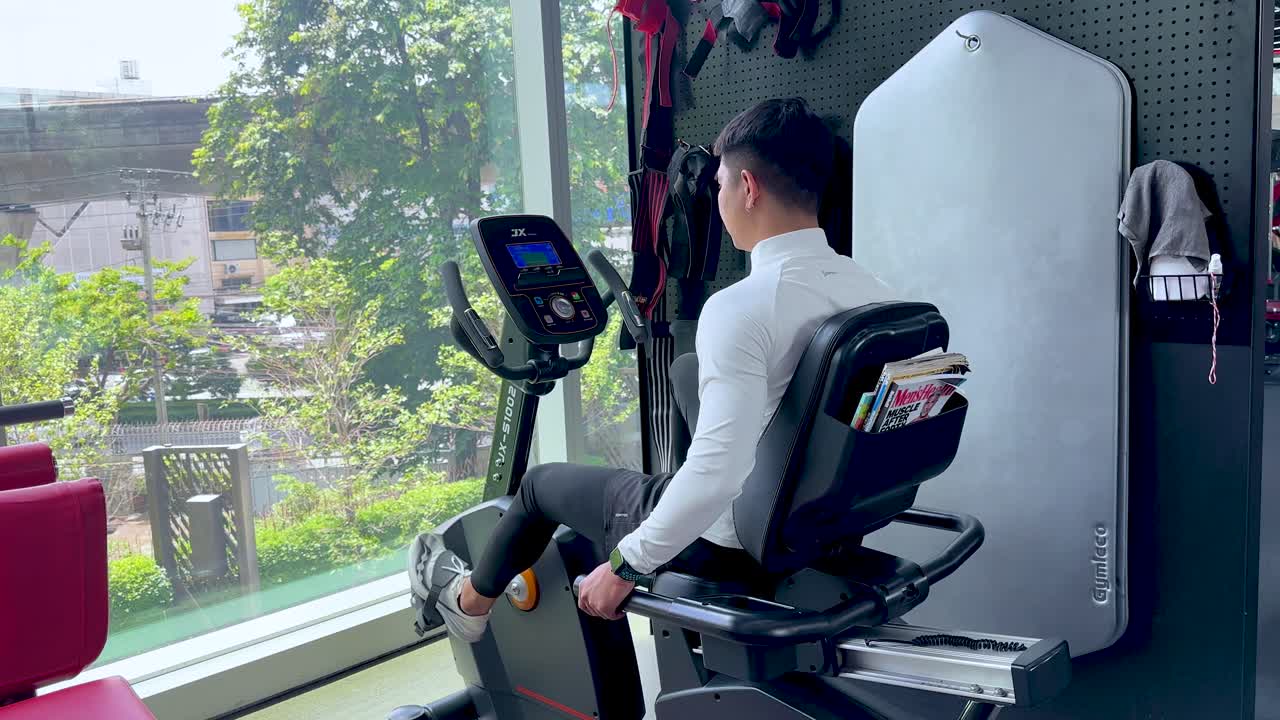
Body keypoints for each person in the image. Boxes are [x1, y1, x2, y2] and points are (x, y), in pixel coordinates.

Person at [408, 97, 897, 642]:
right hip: (819, 517)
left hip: (728, 540)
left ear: (750, 188)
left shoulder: (742, 308)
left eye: (719, 185)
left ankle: (465, 604)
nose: (719, 199)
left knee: (540, 485)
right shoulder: (874, 292)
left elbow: (719, 471)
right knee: (687, 370)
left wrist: (625, 565)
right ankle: (674, 497)